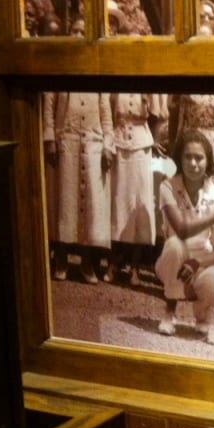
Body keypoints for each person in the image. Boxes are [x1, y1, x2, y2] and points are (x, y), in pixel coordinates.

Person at [155, 129, 214, 336]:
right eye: (188, 157)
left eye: (199, 158)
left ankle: (201, 311)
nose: (193, 164)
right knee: (175, 245)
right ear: (179, 159)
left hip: (201, 260)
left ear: (208, 161)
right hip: (172, 258)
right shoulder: (167, 186)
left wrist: (197, 264)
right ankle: (170, 311)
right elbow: (182, 231)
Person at [43, 92, 115, 283]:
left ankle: (87, 261)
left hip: (93, 145)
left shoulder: (97, 77)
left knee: (91, 207)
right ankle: (61, 258)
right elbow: (49, 104)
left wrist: (108, 144)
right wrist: (50, 138)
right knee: (65, 203)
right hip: (66, 141)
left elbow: (106, 113)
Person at [107, 93, 167, 285]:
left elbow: (157, 115)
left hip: (142, 147)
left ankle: (135, 267)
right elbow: (108, 114)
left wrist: (155, 140)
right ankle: (114, 263)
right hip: (119, 144)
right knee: (119, 204)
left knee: (141, 204)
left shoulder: (148, 86)